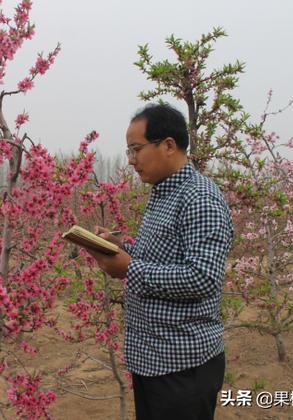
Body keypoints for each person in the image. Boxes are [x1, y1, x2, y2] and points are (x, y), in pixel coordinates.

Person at [87, 103, 233, 420]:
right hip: (152, 359)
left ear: (168, 145)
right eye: (128, 151)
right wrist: (121, 245)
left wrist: (129, 268)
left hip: (182, 365)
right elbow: (165, 257)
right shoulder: (163, 193)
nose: (131, 160)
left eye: (136, 149)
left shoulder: (199, 197)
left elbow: (203, 278)